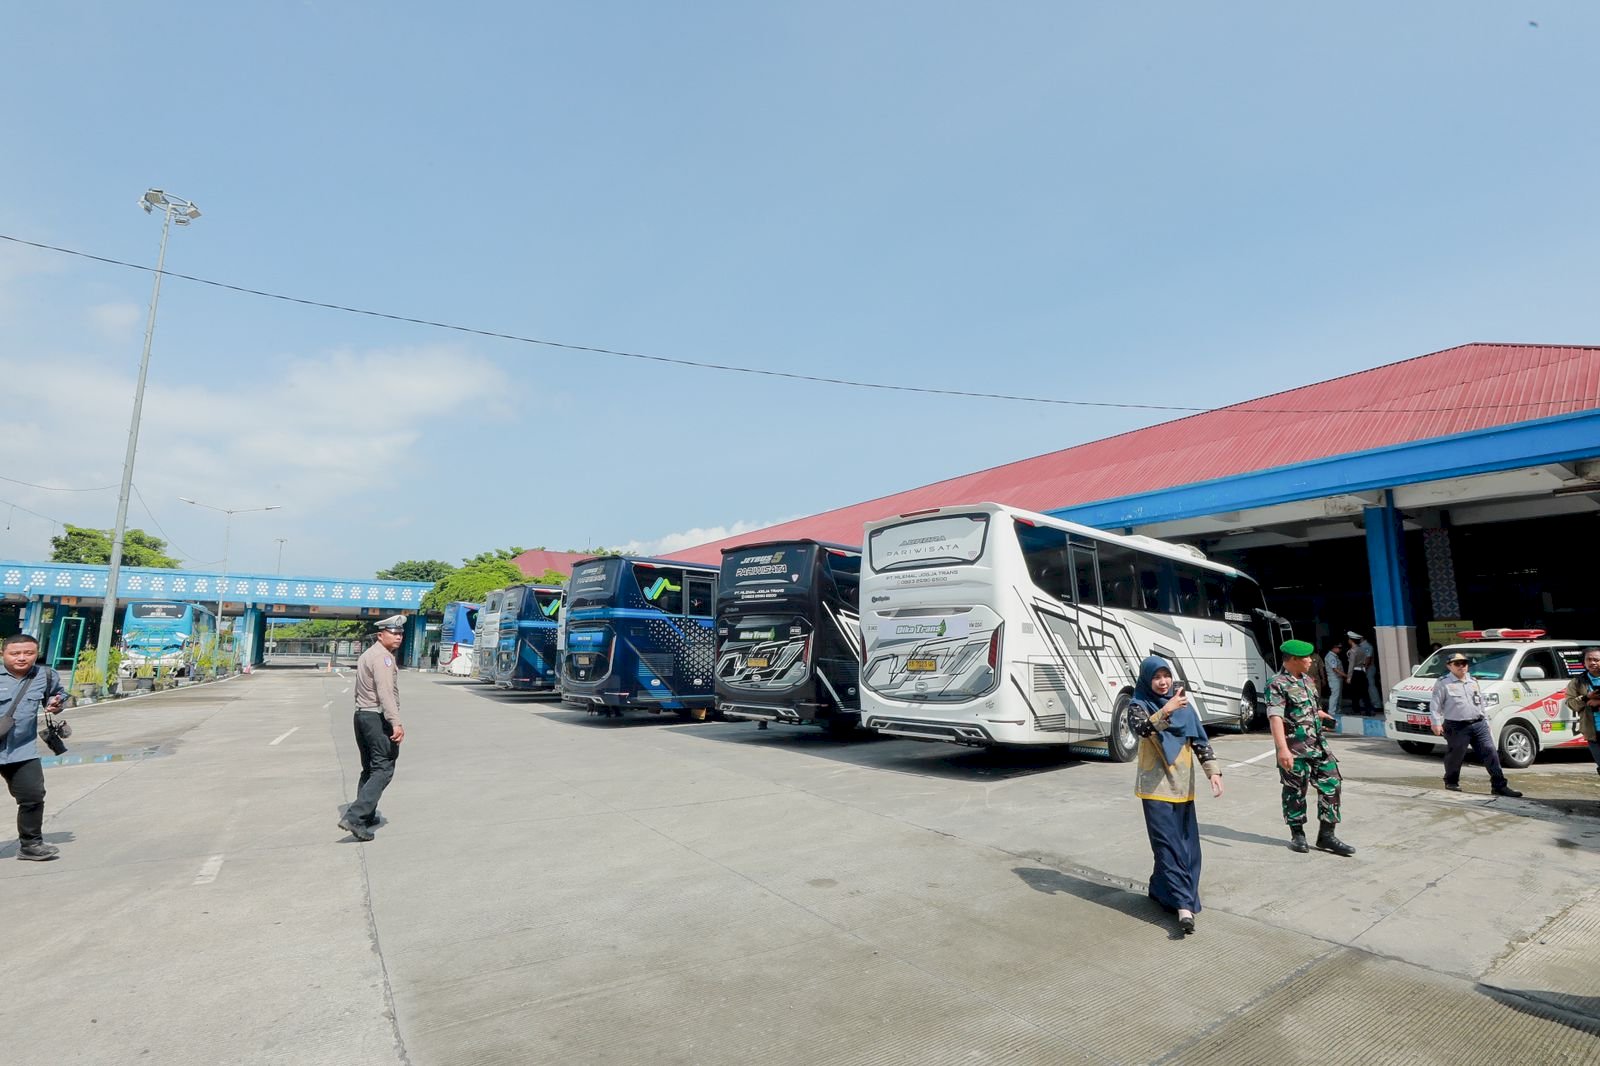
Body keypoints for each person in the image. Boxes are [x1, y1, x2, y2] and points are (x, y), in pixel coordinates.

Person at [1127, 655, 1222, 936]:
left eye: (1166, 676)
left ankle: (1160, 889)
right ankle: (1184, 906)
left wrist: (1213, 772)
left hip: (1182, 786)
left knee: (1189, 848)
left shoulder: (1184, 708)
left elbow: (1200, 741)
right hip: (1155, 788)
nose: (1162, 682)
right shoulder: (1138, 705)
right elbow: (1142, 729)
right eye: (1156, 677)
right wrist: (1166, 710)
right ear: (1147, 680)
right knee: (1168, 847)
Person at [1268, 639, 1356, 856]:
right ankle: (1297, 835)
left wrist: (1322, 716)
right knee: (1295, 790)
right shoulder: (1277, 683)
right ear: (1293, 659)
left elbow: (1312, 709)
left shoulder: (1307, 680)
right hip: (1294, 748)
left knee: (1332, 783)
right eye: (1306, 657)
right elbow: (1275, 717)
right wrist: (1282, 749)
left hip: (1318, 745)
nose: (1310, 660)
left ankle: (1327, 835)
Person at [0, 633, 68, 861]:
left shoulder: (45, 675)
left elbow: (58, 695)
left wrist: (56, 703)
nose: (22, 658)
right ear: (3, 654)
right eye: (15, 653)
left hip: (22, 750)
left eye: (28, 653)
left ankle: (31, 845)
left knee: (33, 796)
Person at [340, 615, 407, 841]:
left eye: (400, 634)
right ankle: (355, 817)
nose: (398, 637)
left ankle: (366, 815)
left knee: (369, 768)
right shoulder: (383, 658)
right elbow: (385, 692)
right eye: (394, 633)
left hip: (362, 715)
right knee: (383, 768)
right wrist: (395, 722)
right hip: (376, 717)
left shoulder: (368, 654)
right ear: (380, 635)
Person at [1430, 652, 1522, 797]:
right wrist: (1436, 723)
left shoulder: (1473, 681)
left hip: (1479, 724)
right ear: (1449, 666)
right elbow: (1435, 704)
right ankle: (1451, 782)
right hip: (1457, 726)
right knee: (1456, 755)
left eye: (1464, 663)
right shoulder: (1443, 683)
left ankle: (1499, 785)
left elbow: (1480, 703)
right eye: (1457, 664)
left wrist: (1486, 721)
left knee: (1490, 752)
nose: (1461, 666)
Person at [1563, 647, 1600, 777]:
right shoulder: (1577, 682)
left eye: (1596, 660)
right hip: (1593, 732)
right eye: (1589, 659)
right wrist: (1586, 697)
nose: (1592, 662)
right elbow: (1571, 703)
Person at [1345, 631, 1373, 714]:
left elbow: (1351, 665)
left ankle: (1356, 709)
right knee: (1365, 692)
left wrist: (1349, 677)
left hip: (1355, 673)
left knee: (1354, 692)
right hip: (1362, 671)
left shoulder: (1353, 651)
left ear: (1351, 640)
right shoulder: (1361, 649)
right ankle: (1369, 710)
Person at [1323, 640, 1348, 716]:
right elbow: (1335, 669)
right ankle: (1332, 712)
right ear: (1333, 648)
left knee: (1339, 696)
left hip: (1338, 678)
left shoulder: (1334, 656)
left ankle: (1337, 710)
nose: (1340, 649)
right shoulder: (1331, 656)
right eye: (1339, 648)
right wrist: (1345, 675)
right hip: (1334, 678)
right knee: (1335, 695)